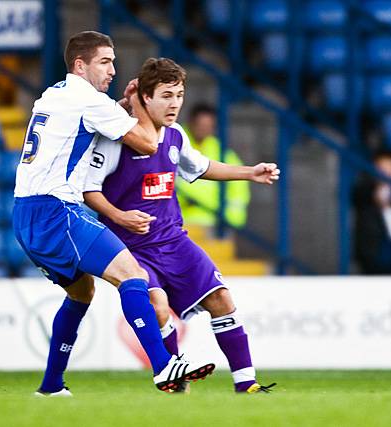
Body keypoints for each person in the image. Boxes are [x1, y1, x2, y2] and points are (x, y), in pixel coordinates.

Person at [12, 31, 215, 396]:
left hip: (26, 213)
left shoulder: (55, 94)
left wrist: (120, 108)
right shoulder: (89, 99)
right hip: (57, 210)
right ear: (80, 65)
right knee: (132, 274)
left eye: (113, 61)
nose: (112, 69)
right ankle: (164, 366)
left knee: (82, 293)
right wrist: (137, 103)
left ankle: (51, 386)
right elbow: (149, 142)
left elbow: (91, 122)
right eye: (104, 62)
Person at [83, 57, 279, 393]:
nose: (174, 104)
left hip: (174, 240)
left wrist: (250, 172)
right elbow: (89, 189)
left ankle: (246, 383)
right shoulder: (118, 139)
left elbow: (200, 167)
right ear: (145, 97)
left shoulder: (175, 135)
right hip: (131, 249)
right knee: (158, 308)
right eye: (166, 95)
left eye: (179, 95)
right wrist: (119, 216)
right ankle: (174, 379)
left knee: (221, 299)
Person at [176, 103, 250, 229]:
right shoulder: (173, 142)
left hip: (213, 224)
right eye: (201, 125)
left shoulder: (220, 151)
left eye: (209, 126)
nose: (204, 129)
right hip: (178, 222)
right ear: (191, 122)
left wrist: (231, 219)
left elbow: (239, 188)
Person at [353, 152, 391, 275]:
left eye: (390, 168)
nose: (385, 173)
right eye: (382, 168)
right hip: (372, 249)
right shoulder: (365, 189)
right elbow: (356, 198)